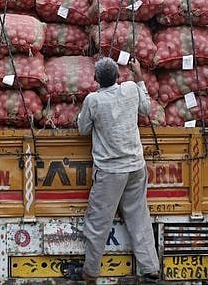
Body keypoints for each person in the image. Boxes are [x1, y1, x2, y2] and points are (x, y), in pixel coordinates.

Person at [77, 57, 160, 284]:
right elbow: (146, 109)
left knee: (98, 222)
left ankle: (91, 272)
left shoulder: (92, 100)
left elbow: (83, 129)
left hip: (110, 172)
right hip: (136, 166)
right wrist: (139, 75)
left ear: (95, 79)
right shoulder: (132, 88)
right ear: (118, 77)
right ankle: (150, 266)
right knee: (139, 217)